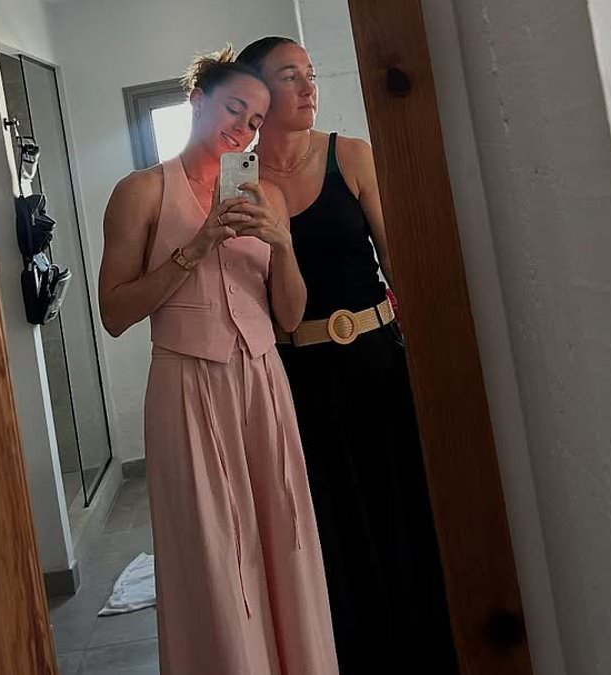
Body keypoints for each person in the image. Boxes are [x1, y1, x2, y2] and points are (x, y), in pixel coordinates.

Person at [97, 47, 339, 675]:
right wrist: (196, 245)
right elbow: (115, 313)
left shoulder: (266, 197)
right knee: (210, 549)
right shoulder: (141, 192)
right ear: (197, 99)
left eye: (256, 120)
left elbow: (289, 316)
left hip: (263, 381)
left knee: (284, 535)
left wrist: (282, 246)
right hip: (185, 386)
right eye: (234, 109)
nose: (244, 129)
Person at [237, 37, 458, 674]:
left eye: (310, 74)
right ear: (256, 92)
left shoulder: (350, 155)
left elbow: (398, 261)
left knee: (400, 506)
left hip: (376, 362)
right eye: (290, 76)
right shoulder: (241, 182)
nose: (309, 87)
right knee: (327, 522)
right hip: (297, 376)